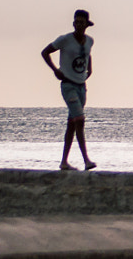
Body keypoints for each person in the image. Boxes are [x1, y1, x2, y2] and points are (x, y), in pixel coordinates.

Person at [40, 9, 97, 171]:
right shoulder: (65, 40)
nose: (79, 25)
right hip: (68, 85)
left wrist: (90, 69)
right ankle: (86, 160)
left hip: (81, 87)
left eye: (82, 22)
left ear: (87, 24)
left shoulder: (90, 41)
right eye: (76, 22)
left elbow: (88, 55)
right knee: (80, 119)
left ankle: (64, 162)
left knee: (72, 124)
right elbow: (45, 52)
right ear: (73, 23)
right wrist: (55, 70)